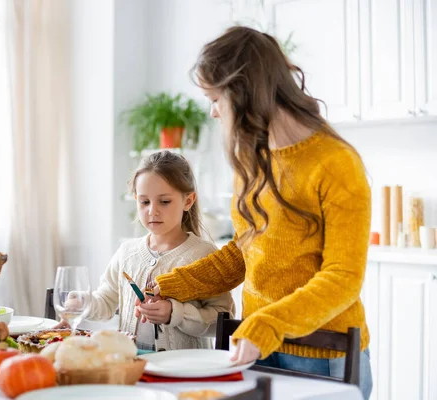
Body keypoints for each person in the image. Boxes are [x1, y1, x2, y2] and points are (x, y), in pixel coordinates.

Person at [136, 26, 373, 399]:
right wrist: (167, 284)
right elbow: (243, 254)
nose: (213, 112)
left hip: (324, 358)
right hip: (258, 348)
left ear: (244, 92)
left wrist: (268, 324)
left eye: (215, 98)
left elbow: (343, 278)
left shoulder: (336, 163)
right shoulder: (252, 162)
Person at [57, 150, 234, 352]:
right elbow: (106, 302)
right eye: (144, 202)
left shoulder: (205, 255)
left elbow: (222, 319)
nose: (152, 211)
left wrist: (175, 313)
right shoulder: (127, 253)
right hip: (132, 365)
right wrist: (83, 302)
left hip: (184, 372)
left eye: (164, 201)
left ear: (188, 201)